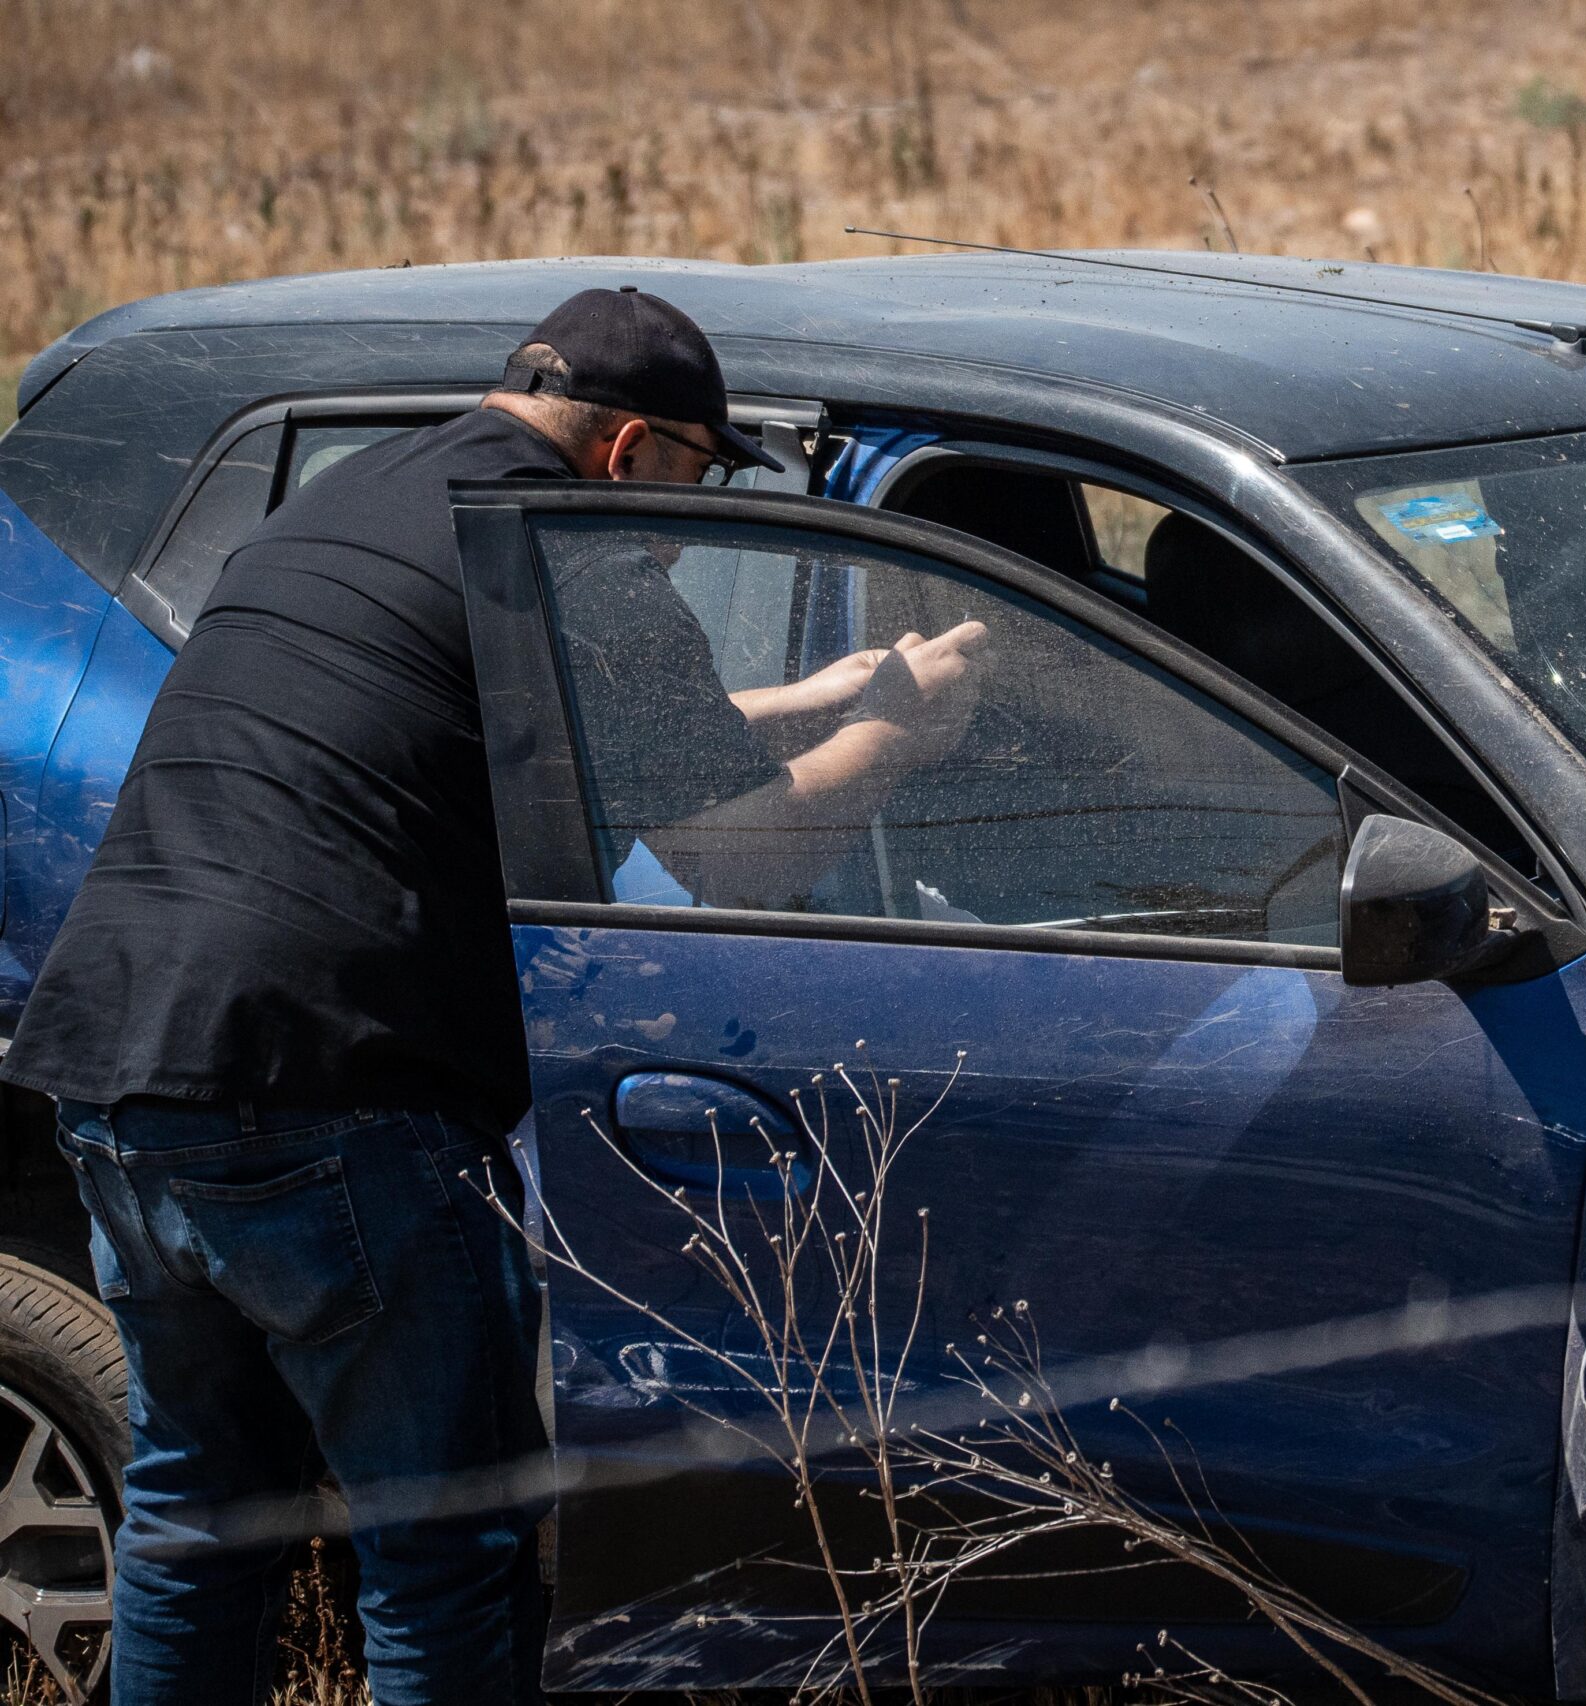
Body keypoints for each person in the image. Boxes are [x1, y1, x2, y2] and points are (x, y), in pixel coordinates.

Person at [0, 287, 982, 1704]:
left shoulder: (359, 505)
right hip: (331, 1101)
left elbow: (511, 714)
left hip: (119, 1077)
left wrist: (821, 693)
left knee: (199, 1524)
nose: (682, 521)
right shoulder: (560, 550)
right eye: (698, 479)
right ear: (633, 446)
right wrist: (903, 734)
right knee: (444, 1547)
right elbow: (728, 852)